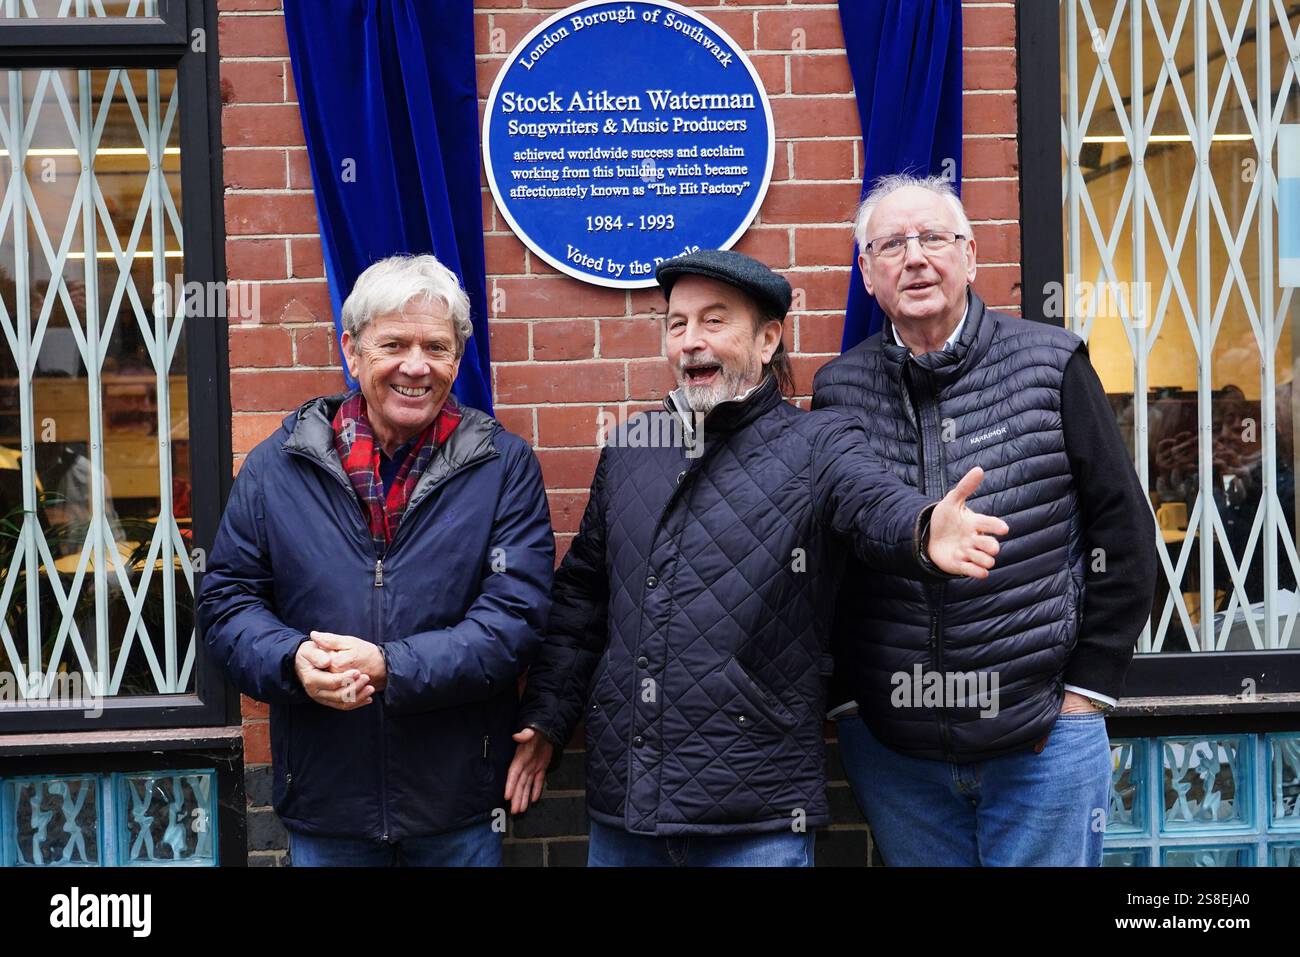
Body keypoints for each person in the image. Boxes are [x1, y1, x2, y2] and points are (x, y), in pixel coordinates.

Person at [505, 249, 1008, 867]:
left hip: (757, 812)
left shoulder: (817, 441)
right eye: (678, 324)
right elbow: (582, 598)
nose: (691, 342)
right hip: (625, 807)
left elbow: (870, 501)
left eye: (714, 322)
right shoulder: (632, 449)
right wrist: (549, 719)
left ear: (768, 338)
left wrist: (922, 528)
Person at [812, 173, 1157, 866]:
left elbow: (1123, 532)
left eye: (934, 238)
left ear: (970, 257)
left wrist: (1086, 692)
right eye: (891, 245)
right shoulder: (838, 391)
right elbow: (827, 554)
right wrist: (849, 700)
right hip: (897, 757)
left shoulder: (1051, 363)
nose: (915, 257)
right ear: (867, 273)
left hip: (1041, 742)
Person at [198, 254, 554, 866]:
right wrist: (293, 661)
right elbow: (228, 603)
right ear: (352, 350)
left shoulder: (503, 467)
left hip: (457, 807)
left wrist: (391, 666)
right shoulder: (275, 467)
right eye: (393, 343)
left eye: (436, 347)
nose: (415, 366)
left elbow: (512, 622)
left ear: (457, 357)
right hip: (327, 801)